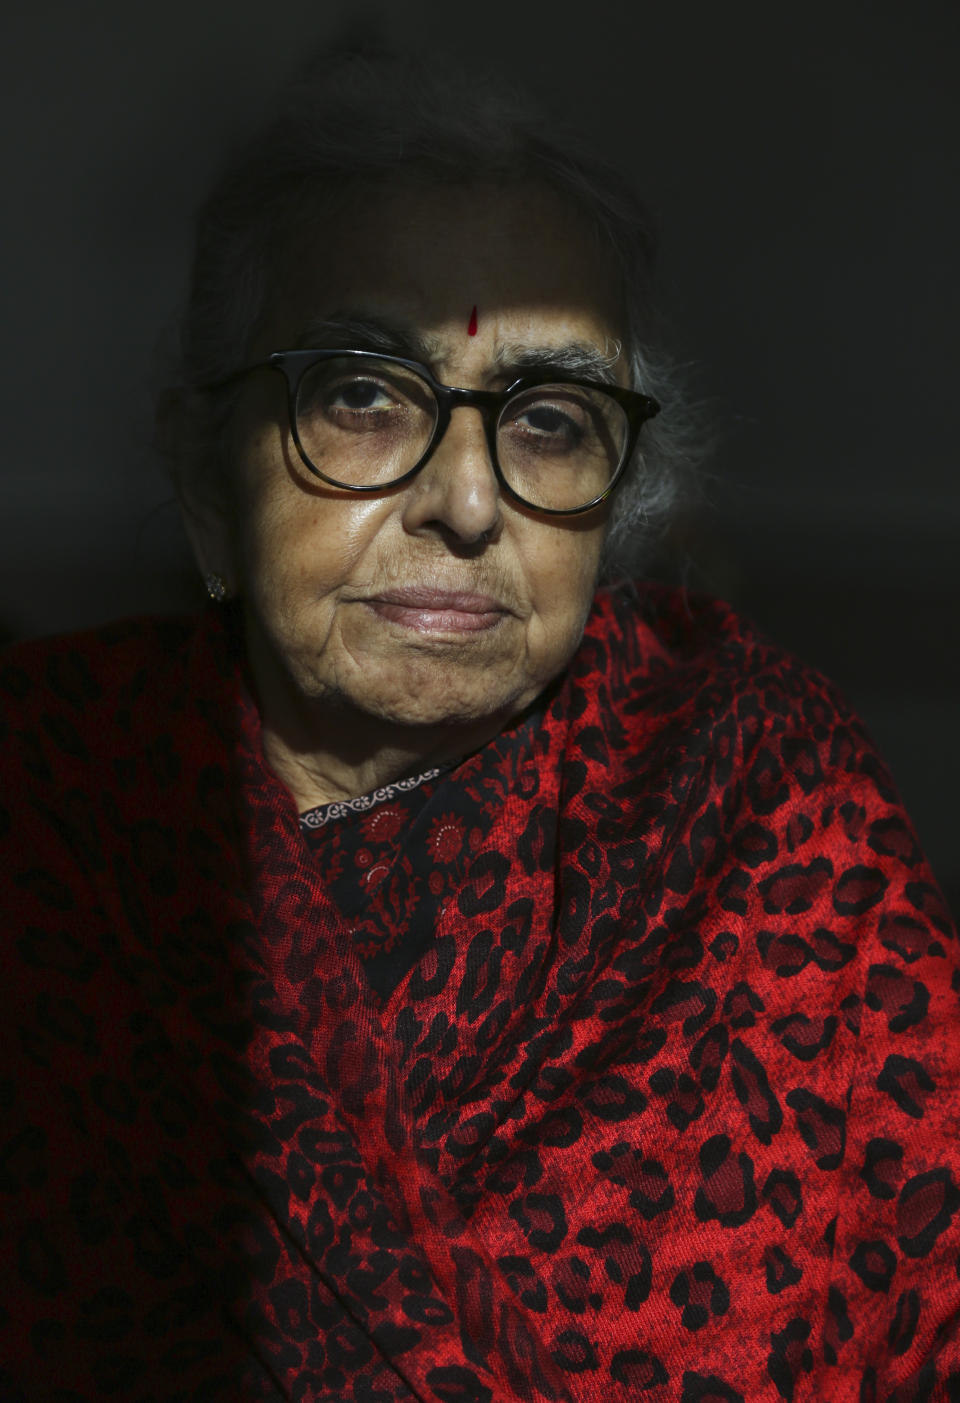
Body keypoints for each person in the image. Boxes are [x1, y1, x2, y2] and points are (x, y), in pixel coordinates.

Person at [1, 42, 958, 1403]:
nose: (466, 500)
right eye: (362, 395)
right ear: (205, 483)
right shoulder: (51, 809)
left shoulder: (756, 794)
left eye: (550, 418)